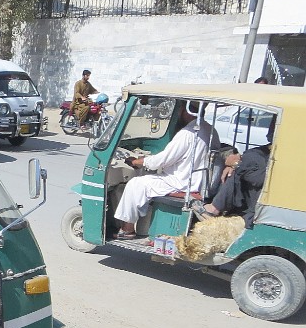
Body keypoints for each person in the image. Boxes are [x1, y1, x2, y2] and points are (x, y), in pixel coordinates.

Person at [113, 103, 220, 240]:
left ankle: (127, 229)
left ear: (185, 111)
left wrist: (139, 162)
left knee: (136, 183)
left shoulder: (188, 133)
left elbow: (163, 160)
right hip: (196, 180)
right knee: (147, 180)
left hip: (181, 183)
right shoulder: (210, 130)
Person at [193, 120, 274, 227]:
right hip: (253, 188)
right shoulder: (266, 150)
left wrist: (237, 165)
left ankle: (215, 208)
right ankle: (219, 207)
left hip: (261, 199)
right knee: (239, 168)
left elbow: (257, 177)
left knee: (242, 166)